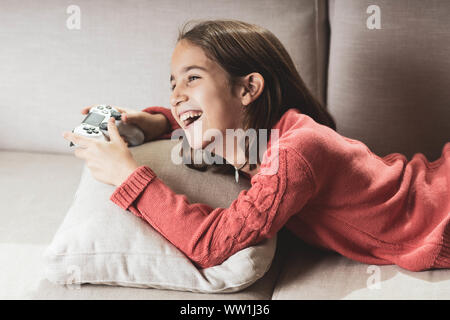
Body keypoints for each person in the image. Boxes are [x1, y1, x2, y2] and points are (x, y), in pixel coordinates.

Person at [63, 20, 450, 271]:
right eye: (172, 84)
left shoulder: (295, 151)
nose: (178, 94)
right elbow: (207, 133)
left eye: (191, 78)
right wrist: (158, 121)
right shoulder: (254, 140)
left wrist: (128, 176)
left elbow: (213, 244)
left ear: (248, 88)